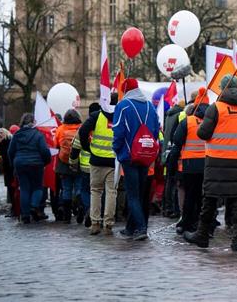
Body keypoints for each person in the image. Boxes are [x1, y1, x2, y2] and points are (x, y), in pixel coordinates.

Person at [185, 75, 237, 251]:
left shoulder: (216, 107)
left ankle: (202, 235)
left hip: (216, 160)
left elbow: (203, 133)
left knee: (209, 198)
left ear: (222, 89)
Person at [112, 78, 160, 241]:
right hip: (146, 156)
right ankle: (130, 228)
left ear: (125, 90)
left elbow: (118, 131)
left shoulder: (123, 106)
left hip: (129, 155)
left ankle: (140, 228)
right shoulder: (150, 106)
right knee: (139, 194)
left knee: (132, 195)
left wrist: (117, 149)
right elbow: (155, 131)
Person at [78, 93, 118, 235]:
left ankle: (95, 223)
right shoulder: (120, 115)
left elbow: (82, 131)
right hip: (113, 161)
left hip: (96, 159)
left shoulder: (97, 115)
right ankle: (108, 224)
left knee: (95, 191)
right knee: (111, 192)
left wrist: (87, 147)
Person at [169, 100, 208, 234]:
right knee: (203, 196)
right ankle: (202, 224)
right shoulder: (210, 122)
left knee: (190, 195)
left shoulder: (187, 122)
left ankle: (186, 223)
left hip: (190, 164)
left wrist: (171, 167)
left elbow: (176, 144)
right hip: (207, 164)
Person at [7, 113, 51, 223]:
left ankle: (25, 215)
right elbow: (44, 151)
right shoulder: (38, 134)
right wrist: (46, 162)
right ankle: (33, 206)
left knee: (24, 189)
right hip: (36, 164)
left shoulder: (17, 135)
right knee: (38, 187)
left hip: (20, 164)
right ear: (33, 122)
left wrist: (14, 164)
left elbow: (10, 151)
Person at [53, 109, 82, 223]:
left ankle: (66, 216)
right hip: (79, 162)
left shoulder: (61, 129)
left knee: (66, 189)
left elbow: (56, 145)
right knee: (79, 187)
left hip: (64, 163)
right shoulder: (81, 128)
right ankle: (80, 208)